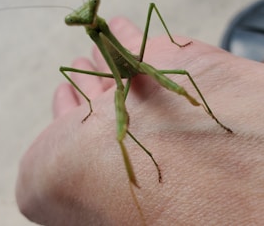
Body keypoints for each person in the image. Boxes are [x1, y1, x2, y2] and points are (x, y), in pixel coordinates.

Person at [16, 17, 264, 226]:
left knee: (183, 74)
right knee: (118, 125)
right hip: (121, 75)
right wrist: (91, 106)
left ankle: (213, 117)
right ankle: (148, 159)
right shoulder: (96, 34)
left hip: (137, 64)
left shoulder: (101, 27)